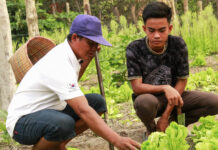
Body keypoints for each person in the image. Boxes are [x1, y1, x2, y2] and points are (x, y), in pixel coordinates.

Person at [6, 14, 140, 150]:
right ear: (75, 37)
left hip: (51, 110)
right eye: (91, 43)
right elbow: (82, 110)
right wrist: (116, 140)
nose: (94, 48)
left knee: (97, 102)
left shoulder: (71, 54)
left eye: (96, 44)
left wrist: (89, 56)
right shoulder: (59, 62)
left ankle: (58, 144)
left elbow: (73, 81)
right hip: (22, 122)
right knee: (64, 123)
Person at [126, 2, 218, 139]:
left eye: (162, 30)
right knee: (143, 103)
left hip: (176, 96)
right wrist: (164, 88)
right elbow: (137, 87)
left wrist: (165, 116)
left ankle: (170, 124)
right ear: (144, 29)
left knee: (214, 102)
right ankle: (152, 129)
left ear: (169, 28)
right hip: (150, 100)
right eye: (151, 30)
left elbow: (182, 81)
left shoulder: (178, 45)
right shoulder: (134, 48)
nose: (156, 35)